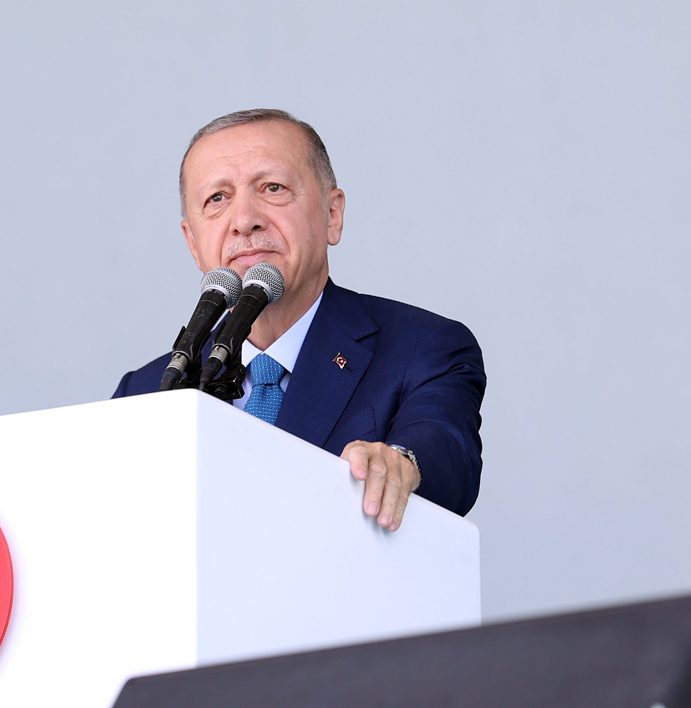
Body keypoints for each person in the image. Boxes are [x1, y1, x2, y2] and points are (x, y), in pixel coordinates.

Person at [113, 109, 485, 531]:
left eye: (273, 188)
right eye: (217, 198)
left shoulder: (423, 349)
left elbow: (445, 448)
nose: (244, 221)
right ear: (193, 242)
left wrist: (400, 463)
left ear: (332, 215)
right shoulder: (144, 393)